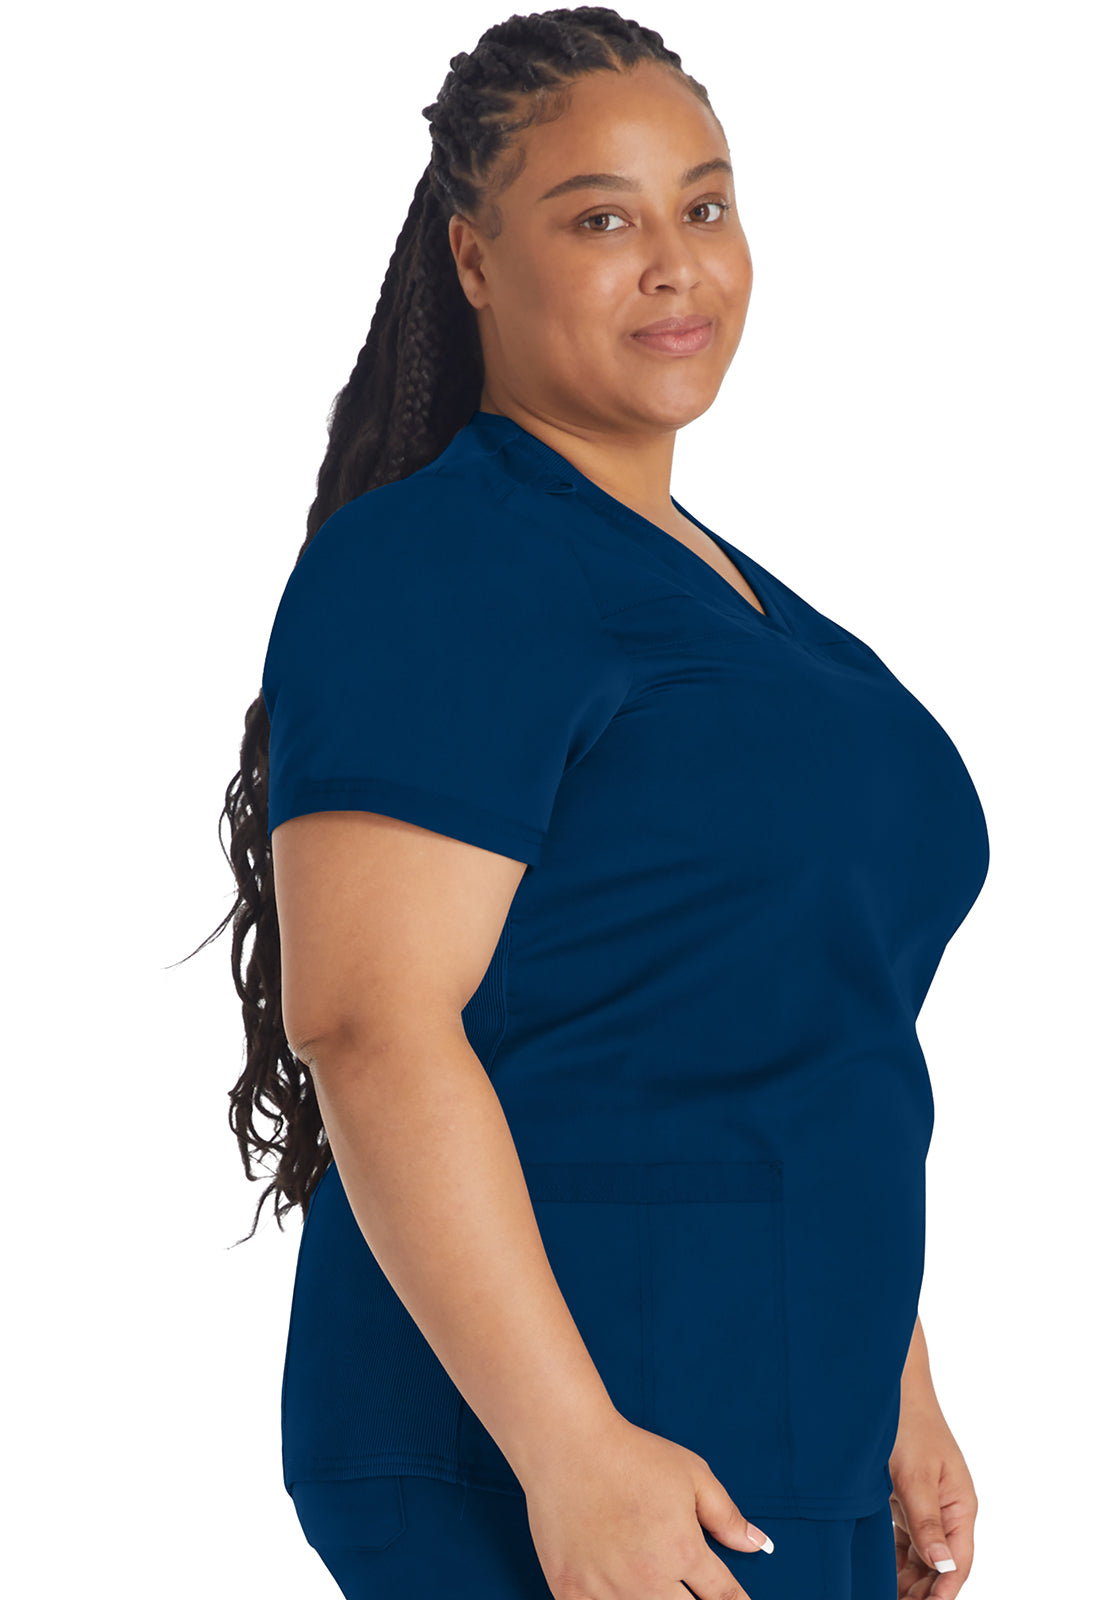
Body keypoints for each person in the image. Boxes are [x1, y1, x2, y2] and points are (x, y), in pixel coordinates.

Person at [214, 8, 986, 1598]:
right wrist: (567, 1446)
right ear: (474, 259)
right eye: (602, 221)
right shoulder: (440, 566)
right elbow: (366, 1018)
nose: (676, 265)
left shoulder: (753, 616)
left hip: (782, 1420)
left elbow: (786, 1020)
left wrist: (896, 1382)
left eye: (704, 205)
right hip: (568, 1436)